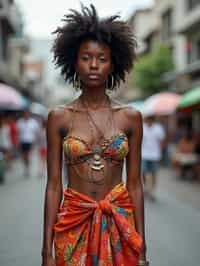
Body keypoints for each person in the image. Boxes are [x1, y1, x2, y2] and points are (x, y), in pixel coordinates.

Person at [42, 4, 148, 266]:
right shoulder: (59, 117)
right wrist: (46, 251)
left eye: (102, 59)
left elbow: (134, 184)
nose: (93, 65)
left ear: (113, 65)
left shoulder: (131, 117)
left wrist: (142, 246)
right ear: (74, 62)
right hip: (72, 223)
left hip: (119, 223)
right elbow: (54, 185)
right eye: (86, 57)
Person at [141, 115, 165, 201]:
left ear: (153, 120)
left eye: (150, 119)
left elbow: (162, 141)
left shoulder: (158, 128)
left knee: (154, 173)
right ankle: (145, 188)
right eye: (147, 119)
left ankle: (152, 191)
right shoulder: (142, 127)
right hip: (144, 154)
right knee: (143, 172)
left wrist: (161, 153)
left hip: (155, 155)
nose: (148, 121)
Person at [17, 110, 39, 177]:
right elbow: (18, 132)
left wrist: (35, 140)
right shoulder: (20, 122)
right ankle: (26, 167)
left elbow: (36, 132)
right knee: (24, 156)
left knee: (28, 155)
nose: (26, 115)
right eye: (25, 114)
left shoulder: (33, 122)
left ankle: (28, 169)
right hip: (22, 141)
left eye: (27, 114)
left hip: (30, 141)